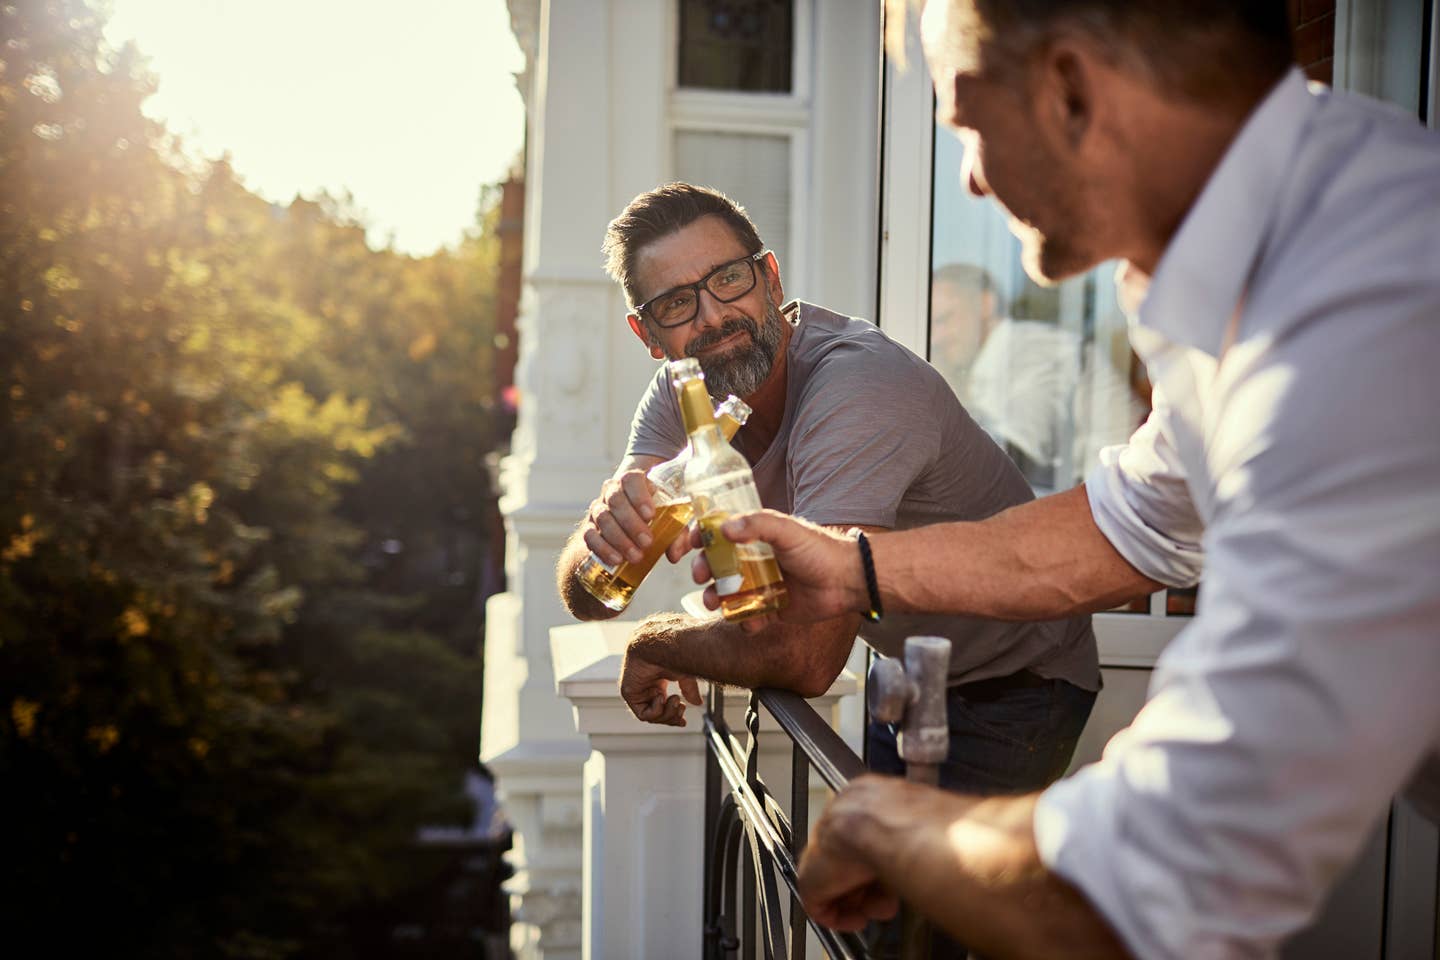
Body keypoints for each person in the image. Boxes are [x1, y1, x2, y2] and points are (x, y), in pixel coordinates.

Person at [692, 1, 1440, 956]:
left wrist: (884, 823)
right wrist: (850, 566)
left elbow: (1156, 882)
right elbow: (1122, 528)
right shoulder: (1278, 241)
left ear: (1071, 91)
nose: (965, 175)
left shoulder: (1357, 321)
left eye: (966, 121)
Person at [555, 182, 1100, 804]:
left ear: (770, 279)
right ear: (647, 333)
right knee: (877, 881)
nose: (712, 316)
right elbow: (593, 593)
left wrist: (661, 642)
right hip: (902, 667)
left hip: (1014, 677)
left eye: (728, 279)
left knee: (928, 892)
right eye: (677, 303)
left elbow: (807, 659)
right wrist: (602, 531)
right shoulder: (685, 393)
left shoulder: (856, 385)